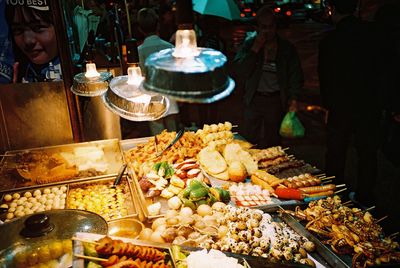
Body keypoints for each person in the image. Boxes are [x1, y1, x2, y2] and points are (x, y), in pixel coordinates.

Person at [318, 0, 383, 206]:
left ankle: (335, 194)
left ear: (333, 9)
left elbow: (325, 78)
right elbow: (382, 72)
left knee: (336, 151)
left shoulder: (331, 40)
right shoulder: (373, 35)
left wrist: (327, 105)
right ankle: (365, 196)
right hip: (368, 104)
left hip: (340, 105)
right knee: (367, 152)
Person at [233, 6, 303, 148]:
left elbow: (296, 75)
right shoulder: (250, 45)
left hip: (275, 100)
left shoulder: (286, 48)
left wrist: (294, 99)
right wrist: (255, 49)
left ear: (275, 27)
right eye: (263, 27)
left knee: (273, 142)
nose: (267, 31)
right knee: (249, 141)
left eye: (270, 27)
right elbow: (240, 71)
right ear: (257, 27)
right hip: (254, 99)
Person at [137, 7, 179, 134]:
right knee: (173, 135)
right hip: (169, 95)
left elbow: (140, 75)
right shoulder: (169, 47)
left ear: (140, 29)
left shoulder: (140, 50)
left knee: (158, 135)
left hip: (151, 96)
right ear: (158, 25)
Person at [5, 3, 61, 83]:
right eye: (18, 30)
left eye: (38, 27)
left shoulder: (79, 72)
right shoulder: (14, 73)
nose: (28, 40)